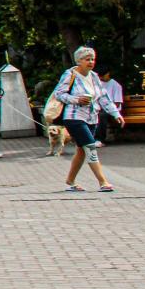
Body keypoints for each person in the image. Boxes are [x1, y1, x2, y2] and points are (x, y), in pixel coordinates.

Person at [52, 46, 120, 192]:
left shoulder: (94, 76)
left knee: (81, 150)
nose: (90, 62)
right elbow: (59, 94)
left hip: (91, 117)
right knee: (90, 147)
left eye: (92, 59)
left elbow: (103, 97)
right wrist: (77, 99)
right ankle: (103, 182)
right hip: (74, 117)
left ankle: (70, 181)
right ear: (79, 61)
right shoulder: (70, 74)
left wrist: (116, 113)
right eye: (87, 59)